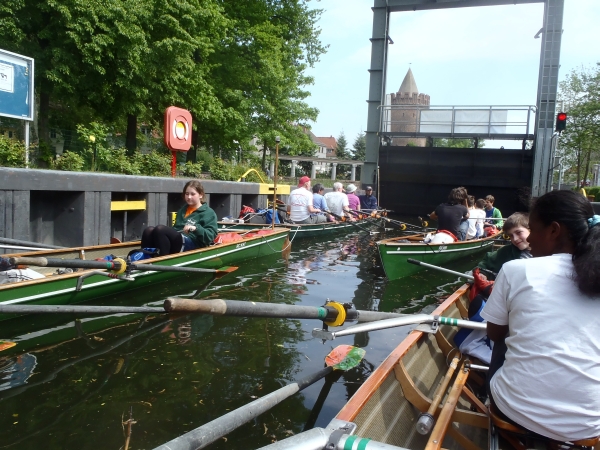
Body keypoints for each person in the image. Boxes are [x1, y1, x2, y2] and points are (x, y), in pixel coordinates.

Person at [481, 190, 600, 442]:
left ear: (554, 230)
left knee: (502, 336)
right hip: (591, 426)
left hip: (516, 411)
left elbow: (493, 334)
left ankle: (489, 398)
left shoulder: (515, 269)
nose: (530, 238)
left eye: (532, 229)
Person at [141, 180, 218, 255]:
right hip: (179, 239)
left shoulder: (209, 213)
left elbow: (210, 236)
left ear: (200, 195)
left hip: (194, 243)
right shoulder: (183, 210)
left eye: (192, 194)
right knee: (148, 230)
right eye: (187, 194)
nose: (189, 197)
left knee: (160, 229)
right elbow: (176, 228)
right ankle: (144, 257)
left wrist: (195, 228)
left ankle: (162, 262)